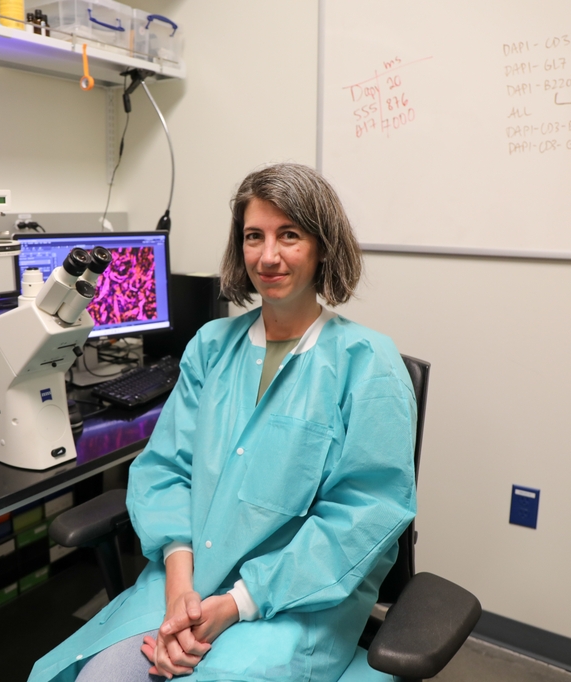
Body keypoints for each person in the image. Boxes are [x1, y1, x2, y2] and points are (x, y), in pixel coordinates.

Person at [30, 163, 417, 682]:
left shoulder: (367, 363)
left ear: (323, 247)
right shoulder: (211, 347)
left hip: (294, 604)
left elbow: (364, 515)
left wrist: (237, 603)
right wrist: (179, 591)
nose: (268, 256)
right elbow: (165, 470)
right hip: (185, 583)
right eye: (254, 236)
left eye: (289, 235)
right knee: (97, 676)